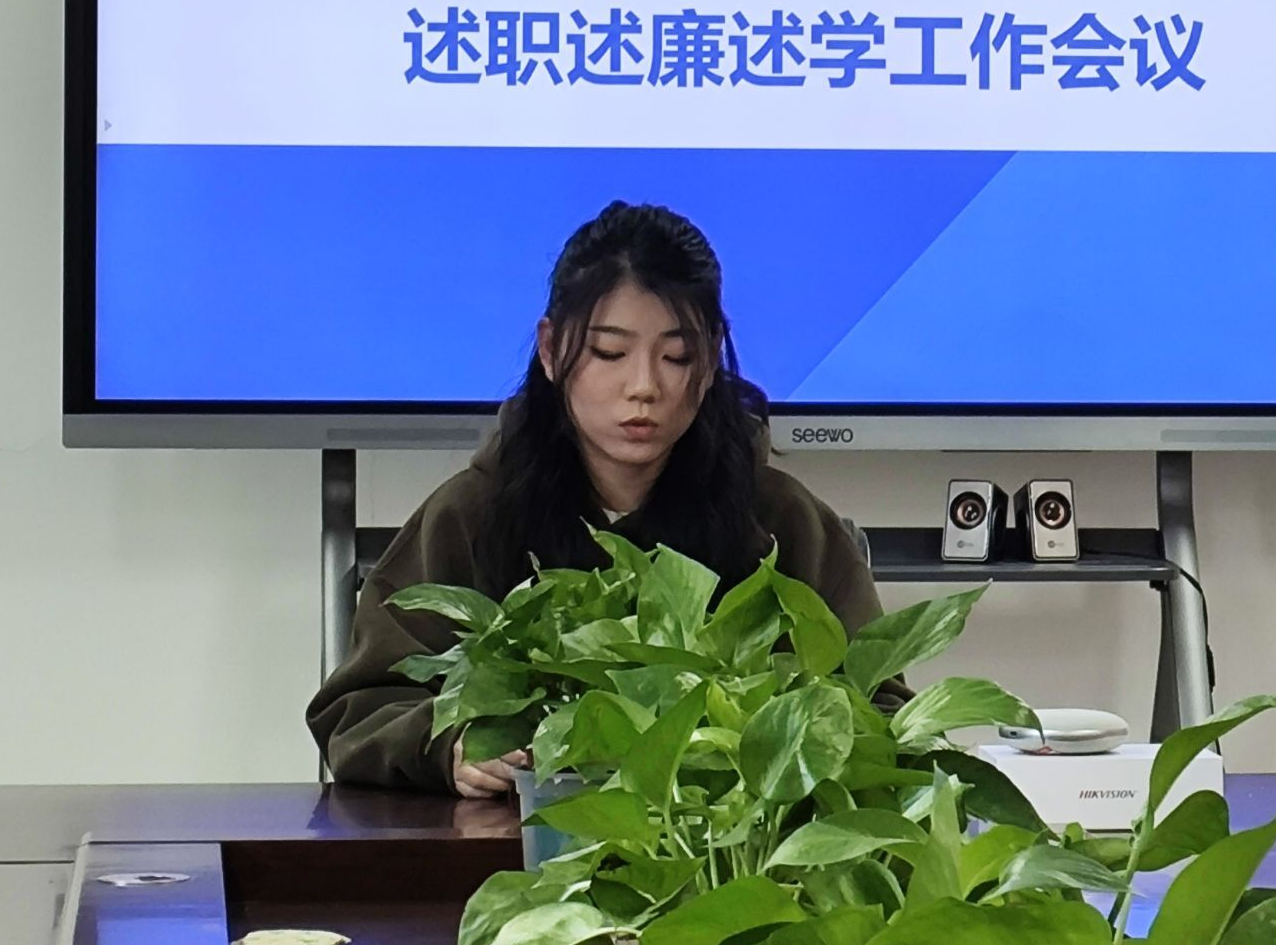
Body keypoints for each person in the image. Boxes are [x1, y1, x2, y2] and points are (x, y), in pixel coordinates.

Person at [306, 203, 891, 796]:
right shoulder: (473, 514)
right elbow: (359, 711)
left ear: (712, 356)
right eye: (610, 353)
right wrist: (449, 749)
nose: (644, 386)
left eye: (677, 357)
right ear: (551, 349)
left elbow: (883, 707)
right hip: (518, 841)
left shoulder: (780, 520)